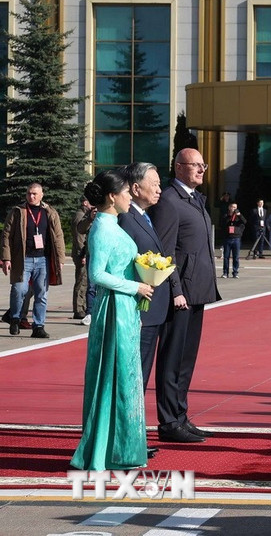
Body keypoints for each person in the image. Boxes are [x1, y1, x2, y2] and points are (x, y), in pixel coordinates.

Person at [70, 170, 154, 471]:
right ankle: (107, 451)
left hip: (125, 309)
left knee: (124, 378)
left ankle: (122, 449)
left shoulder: (112, 224)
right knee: (112, 378)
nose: (130, 196)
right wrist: (136, 286)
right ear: (111, 196)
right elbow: (97, 275)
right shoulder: (102, 229)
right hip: (114, 309)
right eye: (126, 193)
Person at [149, 148, 220, 444]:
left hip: (197, 291)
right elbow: (164, 251)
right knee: (172, 359)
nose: (202, 169)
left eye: (203, 164)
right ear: (179, 168)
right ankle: (168, 422)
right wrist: (175, 290)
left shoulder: (194, 199)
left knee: (186, 360)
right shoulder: (169, 201)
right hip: (180, 295)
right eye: (196, 165)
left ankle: (181, 416)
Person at [116, 162, 168, 462]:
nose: (159, 188)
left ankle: (134, 440)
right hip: (137, 311)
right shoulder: (126, 220)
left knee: (140, 379)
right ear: (136, 188)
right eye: (155, 183)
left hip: (150, 311)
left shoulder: (144, 217)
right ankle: (127, 443)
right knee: (133, 380)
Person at [1, 182, 66, 338]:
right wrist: (6, 258)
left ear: (41, 195)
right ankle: (15, 318)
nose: (32, 196)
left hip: (43, 260)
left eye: (35, 194)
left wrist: (60, 258)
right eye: (29, 193)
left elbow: (58, 236)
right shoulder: (18, 212)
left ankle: (38, 326)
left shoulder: (50, 212)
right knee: (19, 290)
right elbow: (6, 235)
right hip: (23, 260)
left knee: (41, 294)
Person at [72, 199, 96, 322]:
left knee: (86, 282)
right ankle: (79, 308)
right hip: (82, 253)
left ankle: (82, 307)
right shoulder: (81, 215)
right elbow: (79, 237)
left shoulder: (87, 214)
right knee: (82, 282)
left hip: (85, 252)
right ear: (85, 202)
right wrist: (82, 254)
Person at [220, 202, 245, 278]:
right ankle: (225, 273)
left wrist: (239, 215)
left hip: (236, 238)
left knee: (236, 257)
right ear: (229, 207)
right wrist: (229, 217)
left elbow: (244, 222)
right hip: (228, 238)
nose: (234, 209)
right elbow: (223, 224)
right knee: (226, 257)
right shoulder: (225, 215)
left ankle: (235, 272)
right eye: (232, 207)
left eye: (235, 207)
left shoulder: (238, 216)